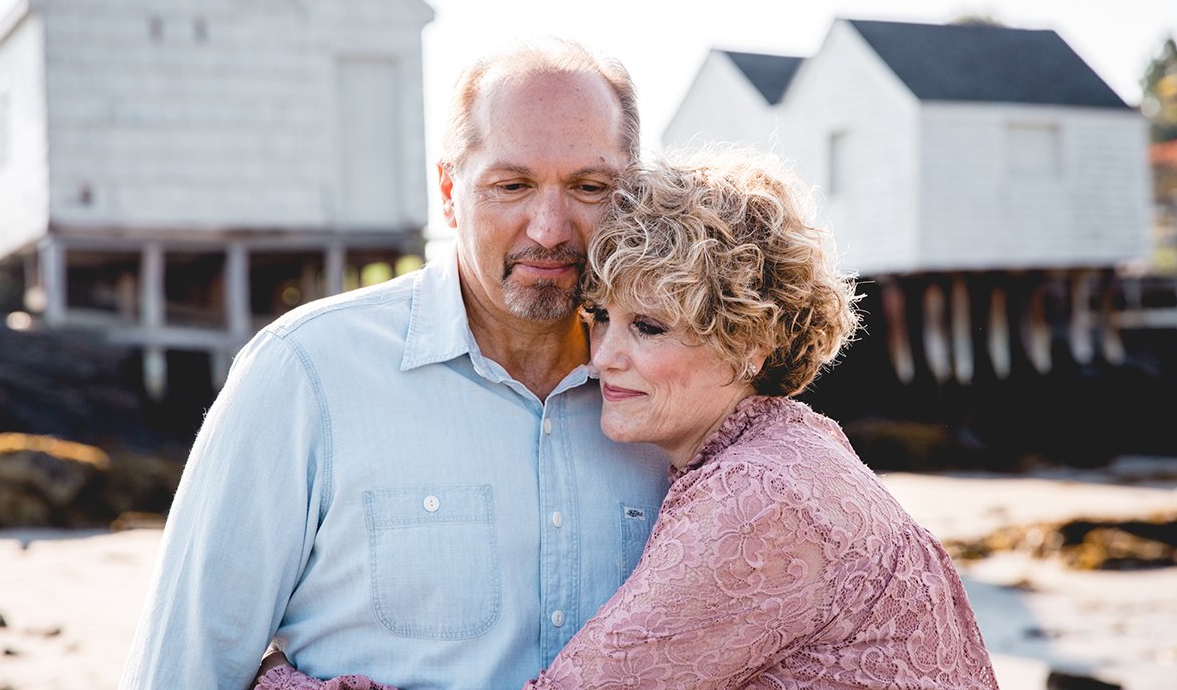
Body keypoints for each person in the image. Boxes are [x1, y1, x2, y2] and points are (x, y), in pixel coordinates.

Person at [256, 146, 1000, 689]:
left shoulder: (762, 499)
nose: (604, 355)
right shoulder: (796, 447)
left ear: (752, 342)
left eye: (649, 328)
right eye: (600, 317)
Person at [118, 38, 672, 690]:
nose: (549, 228)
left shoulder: (678, 396)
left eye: (589, 186)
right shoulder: (303, 373)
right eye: (511, 184)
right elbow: (183, 670)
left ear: (632, 195)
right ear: (448, 191)